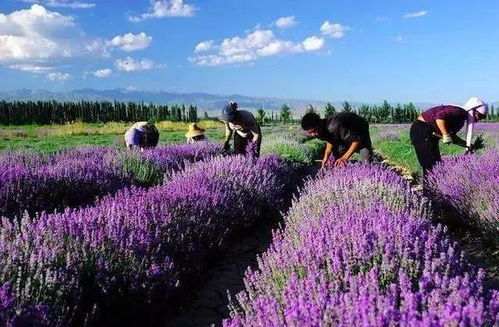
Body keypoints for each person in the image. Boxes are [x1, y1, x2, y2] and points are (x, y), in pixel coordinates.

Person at [409, 97, 488, 175]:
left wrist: (467, 145)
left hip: (429, 133)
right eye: (480, 116)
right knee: (430, 165)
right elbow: (440, 118)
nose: (479, 119)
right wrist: (445, 134)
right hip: (422, 129)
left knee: (436, 164)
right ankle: (429, 187)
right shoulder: (459, 112)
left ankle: (433, 186)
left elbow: (452, 136)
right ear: (474, 110)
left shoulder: (461, 120)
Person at [301, 112, 373, 168]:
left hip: (360, 130)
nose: (313, 134)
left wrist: (344, 158)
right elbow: (330, 139)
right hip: (344, 134)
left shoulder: (335, 126)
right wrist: (326, 156)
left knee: (366, 162)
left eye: (314, 131)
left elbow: (357, 140)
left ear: (319, 123)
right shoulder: (321, 130)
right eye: (310, 133)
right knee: (337, 160)